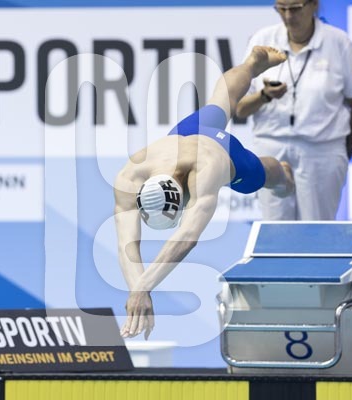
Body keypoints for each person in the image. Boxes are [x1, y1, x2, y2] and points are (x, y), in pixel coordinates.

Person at [114, 46, 295, 339]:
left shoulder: (206, 170)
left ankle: (285, 173)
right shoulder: (129, 177)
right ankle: (251, 64)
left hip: (223, 152)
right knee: (221, 99)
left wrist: (143, 288)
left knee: (269, 177)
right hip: (186, 134)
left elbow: (186, 237)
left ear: (182, 197)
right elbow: (127, 245)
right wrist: (139, 291)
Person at [235, 0, 352, 220]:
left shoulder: (338, 42)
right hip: (272, 147)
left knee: (317, 231)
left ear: (313, 5)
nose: (288, 16)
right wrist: (264, 95)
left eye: (295, 8)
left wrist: (344, 153)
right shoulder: (262, 40)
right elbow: (239, 108)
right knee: (275, 230)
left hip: (322, 150)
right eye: (281, 8)